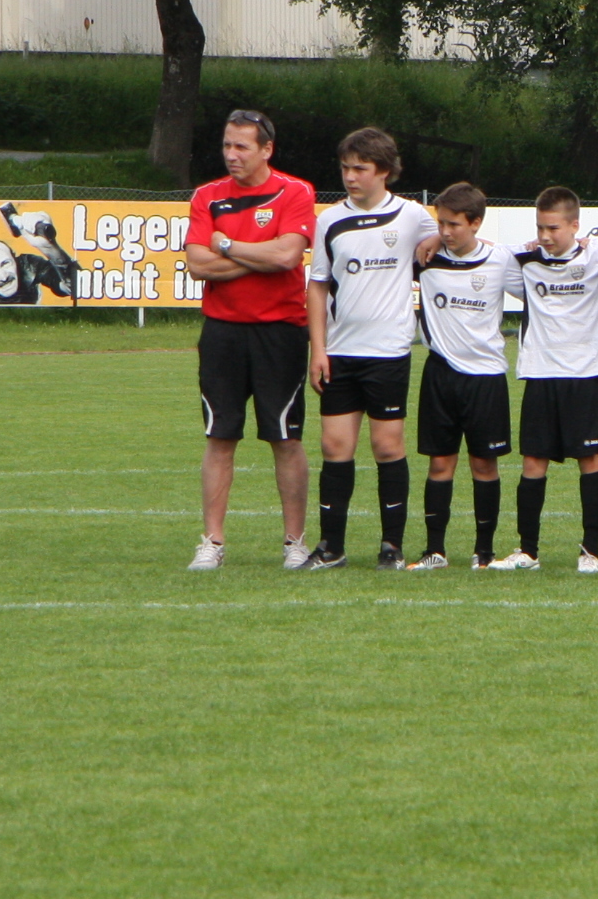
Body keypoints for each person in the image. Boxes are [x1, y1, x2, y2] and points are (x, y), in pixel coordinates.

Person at [183, 109, 316, 571]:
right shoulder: (207, 196)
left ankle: (295, 543)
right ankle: (212, 542)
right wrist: (260, 256)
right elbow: (197, 265)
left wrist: (225, 245)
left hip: (281, 330)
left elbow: (287, 256)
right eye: (227, 145)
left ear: (266, 150)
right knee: (220, 436)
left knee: (286, 437)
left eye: (241, 146)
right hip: (222, 331)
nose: (231, 154)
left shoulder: (295, 191)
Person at [308, 126, 438, 569]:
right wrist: (318, 349)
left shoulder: (412, 215)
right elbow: (318, 285)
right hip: (340, 353)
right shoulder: (329, 220)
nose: (350, 176)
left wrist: (435, 239)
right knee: (334, 447)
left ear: (384, 171)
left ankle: (391, 547)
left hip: (388, 353)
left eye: (360, 168)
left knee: (387, 446)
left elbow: (452, 232)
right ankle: (331, 548)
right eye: (345, 168)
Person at [412, 181, 519, 570]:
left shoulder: (501, 259)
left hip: (485, 378)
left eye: (454, 224)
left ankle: (484, 552)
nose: (445, 231)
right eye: (440, 223)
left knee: (484, 465)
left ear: (475, 223)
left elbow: (542, 287)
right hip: (440, 373)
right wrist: (431, 238)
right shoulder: (424, 258)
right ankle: (434, 551)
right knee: (440, 464)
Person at [510, 187, 598, 573]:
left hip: (585, 374)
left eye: (553, 228)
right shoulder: (525, 260)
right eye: (540, 227)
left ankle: (591, 551)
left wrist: (596, 244)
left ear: (575, 225)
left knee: (590, 458)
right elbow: (479, 250)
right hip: (540, 372)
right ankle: (527, 551)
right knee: (533, 460)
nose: (545, 236)